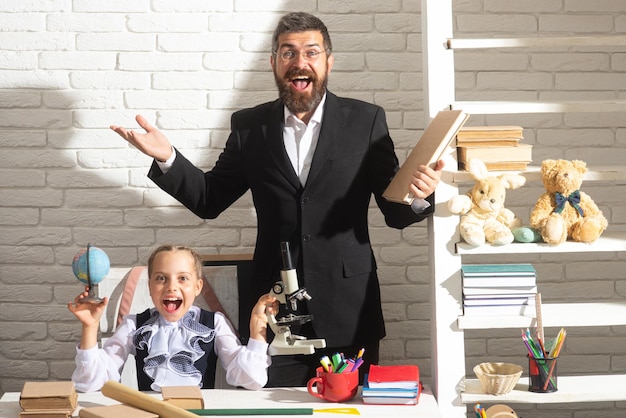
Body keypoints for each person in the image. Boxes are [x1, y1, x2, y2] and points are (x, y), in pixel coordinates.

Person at [110, 12, 444, 387]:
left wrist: (419, 196)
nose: (300, 62)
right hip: (271, 310)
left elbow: (394, 212)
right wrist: (167, 157)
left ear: (328, 62)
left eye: (311, 53)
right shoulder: (250, 127)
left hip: (349, 307)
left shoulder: (365, 121)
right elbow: (209, 198)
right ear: (273, 63)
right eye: (288, 53)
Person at [68, 244, 278, 392]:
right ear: (150, 287)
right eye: (161, 278)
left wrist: (257, 329)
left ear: (197, 287)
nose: (171, 286)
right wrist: (90, 327)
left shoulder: (214, 323)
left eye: (183, 278)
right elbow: (91, 383)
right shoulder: (134, 324)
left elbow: (252, 379)